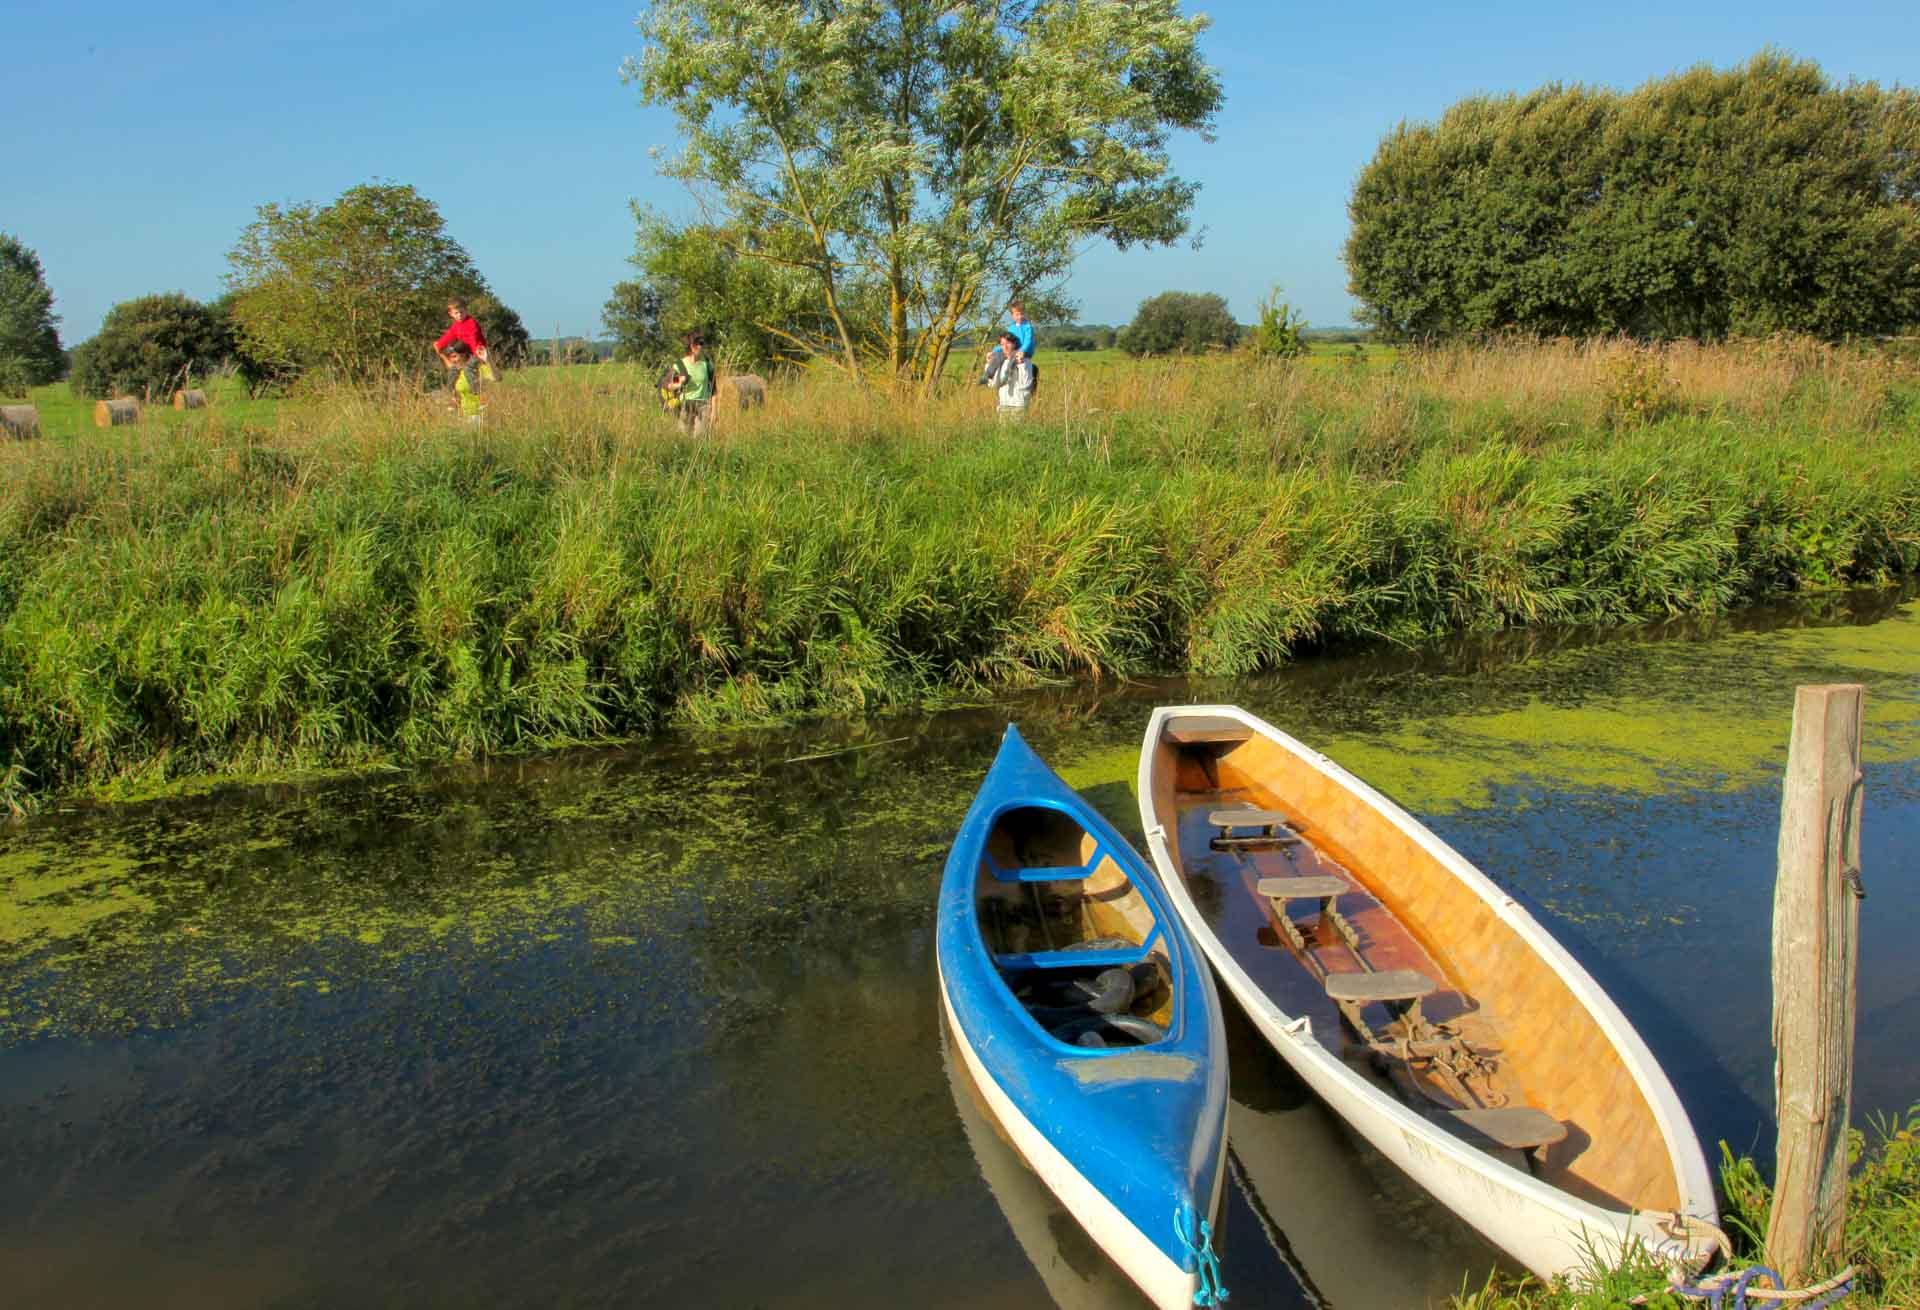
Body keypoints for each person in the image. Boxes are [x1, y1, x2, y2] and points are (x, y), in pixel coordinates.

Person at [664, 332, 715, 435]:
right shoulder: (680, 365)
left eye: (702, 343)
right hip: (685, 405)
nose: (702, 346)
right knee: (684, 437)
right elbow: (668, 385)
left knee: (700, 437)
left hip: (703, 405)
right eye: (700, 343)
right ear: (692, 346)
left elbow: (714, 389)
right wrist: (679, 383)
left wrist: (714, 411)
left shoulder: (707, 364)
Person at [979, 300, 1037, 384]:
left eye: (1022, 314)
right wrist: (995, 351)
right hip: (1012, 350)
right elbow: (1006, 342)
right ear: (1012, 315)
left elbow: (1028, 341)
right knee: (997, 356)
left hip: (1024, 351)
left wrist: (1022, 351)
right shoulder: (1011, 328)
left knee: (1012, 357)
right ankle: (988, 375)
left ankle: (1007, 374)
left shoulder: (1028, 327)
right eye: (1017, 314)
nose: (1020, 316)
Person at [989, 334, 1035, 420]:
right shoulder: (1000, 361)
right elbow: (993, 384)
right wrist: (989, 364)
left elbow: (1025, 384)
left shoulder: (1026, 361)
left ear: (1014, 344)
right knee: (1004, 433)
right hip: (1003, 405)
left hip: (1019, 406)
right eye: (1002, 344)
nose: (1005, 347)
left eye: (1008, 343)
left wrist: (1021, 364)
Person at [433, 298, 489, 364]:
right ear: (451, 314)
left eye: (461, 312)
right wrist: (439, 344)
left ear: (466, 310)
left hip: (476, 351)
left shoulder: (471, 323)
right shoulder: (456, 326)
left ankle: (474, 368)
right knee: (451, 351)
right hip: (464, 352)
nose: (459, 315)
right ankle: (455, 369)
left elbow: (474, 338)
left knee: (469, 368)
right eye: (456, 313)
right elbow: (449, 336)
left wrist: (477, 352)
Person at [442, 340, 486, 422]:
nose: (452, 360)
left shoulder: (475, 370)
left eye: (455, 356)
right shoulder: (456, 373)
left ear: (463, 354)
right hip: (464, 415)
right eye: (450, 357)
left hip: (478, 414)